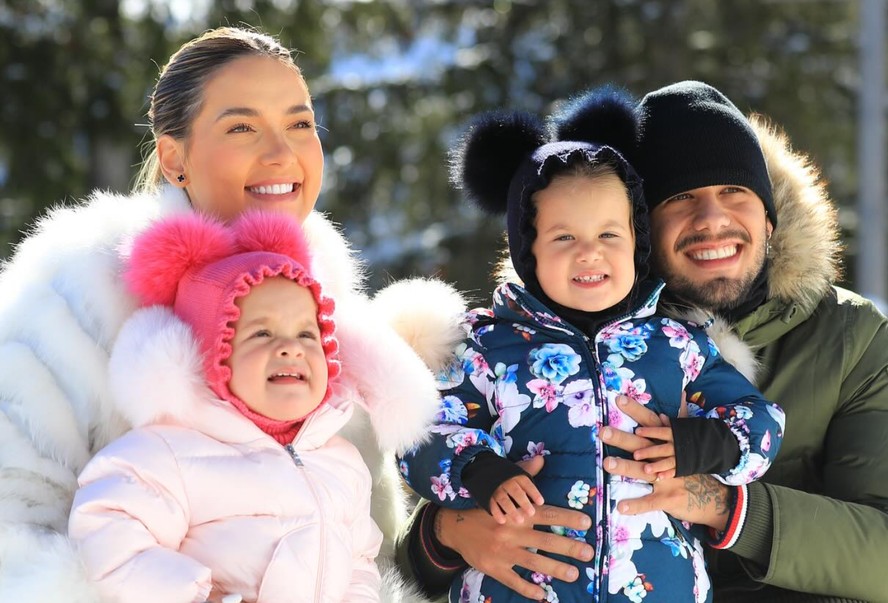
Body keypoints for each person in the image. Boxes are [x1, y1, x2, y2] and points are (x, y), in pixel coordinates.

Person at [0, 26, 458, 602]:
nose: (281, 152)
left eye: (300, 123)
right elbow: (13, 528)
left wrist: (442, 542)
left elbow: (366, 543)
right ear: (174, 157)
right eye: (242, 126)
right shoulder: (82, 286)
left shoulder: (325, 292)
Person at [396, 81, 888, 603]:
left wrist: (728, 507)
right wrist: (447, 533)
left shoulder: (848, 339)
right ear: (642, 229)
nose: (712, 219)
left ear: (769, 218)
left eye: (734, 192)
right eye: (680, 197)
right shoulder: (506, 345)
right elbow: (418, 465)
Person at [68, 210, 401, 602]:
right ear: (213, 356)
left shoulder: (343, 461)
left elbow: (359, 559)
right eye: (262, 332)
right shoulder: (172, 451)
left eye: (307, 334)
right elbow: (106, 525)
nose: (290, 347)